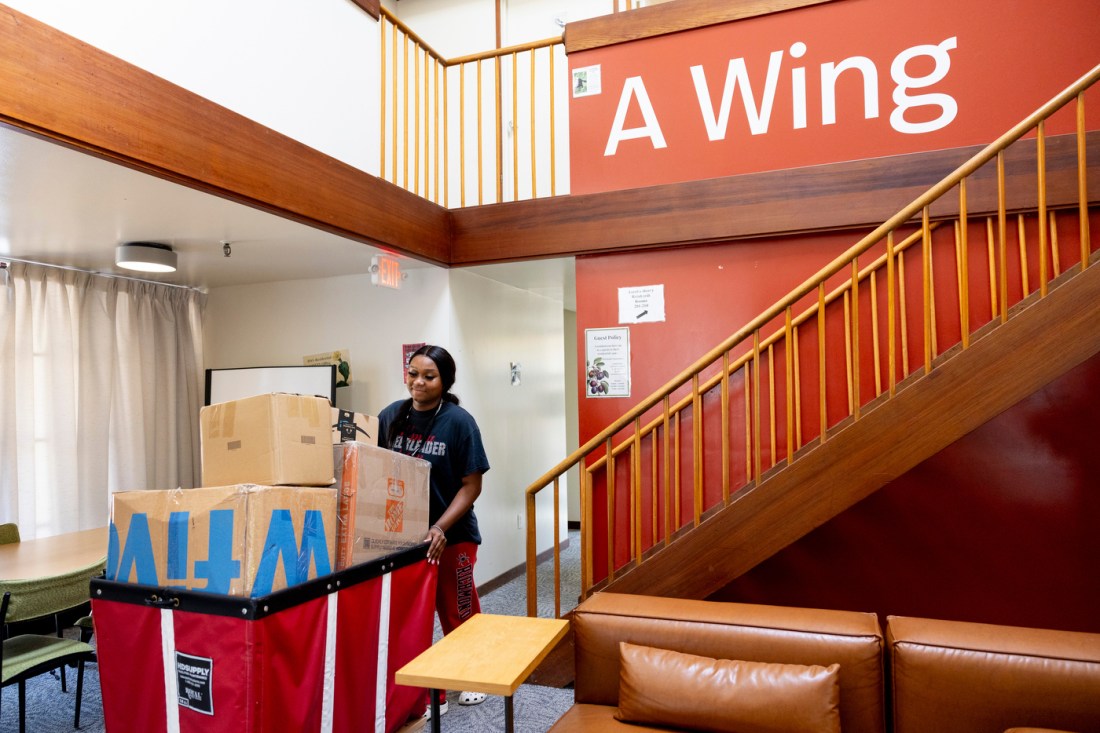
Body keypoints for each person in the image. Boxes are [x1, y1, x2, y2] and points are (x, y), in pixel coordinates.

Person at [377, 344, 490, 717]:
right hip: (405, 538)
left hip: (453, 535)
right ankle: (431, 690)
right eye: (413, 374)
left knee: (457, 609)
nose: (418, 382)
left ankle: (474, 676)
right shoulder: (390, 416)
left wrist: (440, 527)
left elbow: (471, 485)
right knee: (415, 616)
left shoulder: (459, 422)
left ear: (445, 381)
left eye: (429, 376)